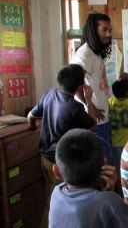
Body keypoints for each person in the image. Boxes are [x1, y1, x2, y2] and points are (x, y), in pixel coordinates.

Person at [49, 129, 128, 228]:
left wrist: (108, 190)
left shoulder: (56, 194)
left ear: (57, 172)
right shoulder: (109, 202)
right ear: (104, 164)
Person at [27, 64, 96, 227]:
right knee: (56, 204)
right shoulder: (75, 107)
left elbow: (31, 115)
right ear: (80, 87)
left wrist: (32, 126)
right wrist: (89, 100)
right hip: (60, 164)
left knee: (50, 199)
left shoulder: (49, 94)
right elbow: (93, 124)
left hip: (44, 157)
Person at [71, 13, 114, 162]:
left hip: (102, 120)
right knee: (101, 168)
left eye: (110, 30)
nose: (108, 34)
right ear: (93, 30)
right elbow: (75, 85)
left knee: (107, 166)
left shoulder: (96, 52)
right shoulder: (85, 52)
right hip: (93, 122)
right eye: (104, 30)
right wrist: (89, 105)